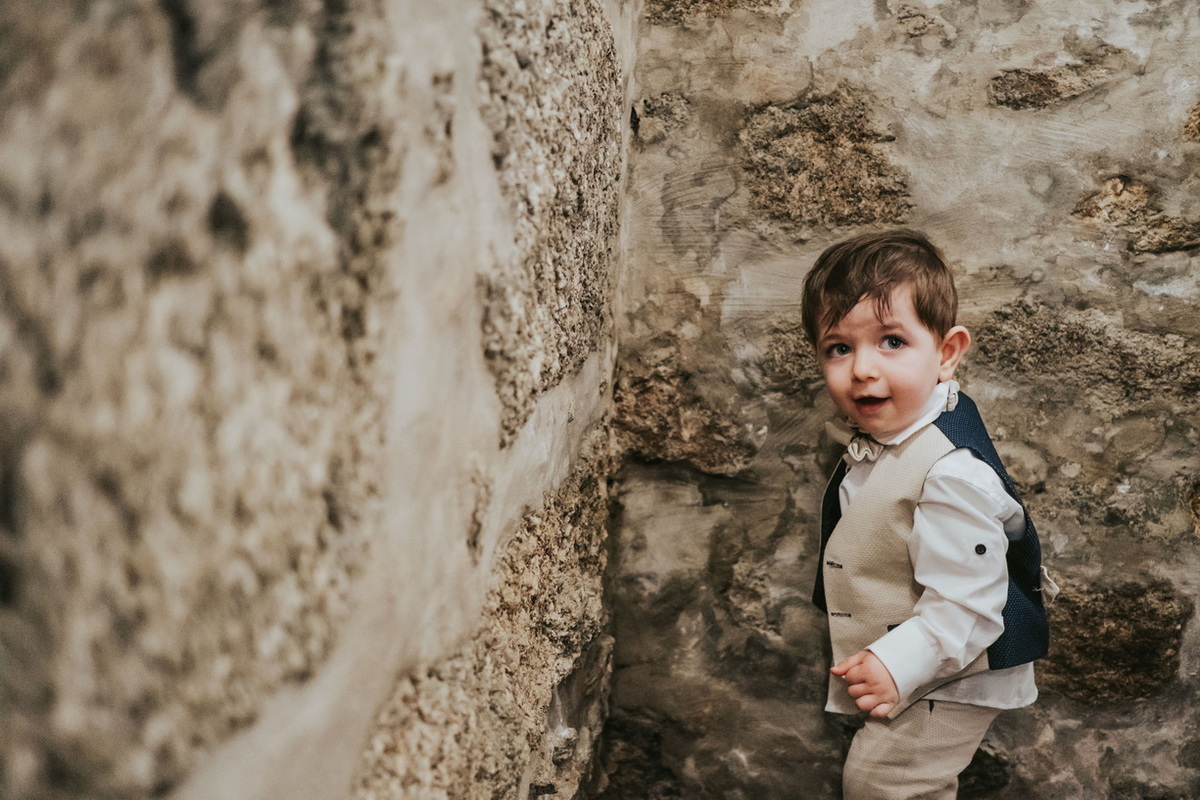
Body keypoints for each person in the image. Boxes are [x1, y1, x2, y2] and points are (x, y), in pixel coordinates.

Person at [800, 229, 1056, 800]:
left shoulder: (949, 475)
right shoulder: (897, 439)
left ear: (945, 354)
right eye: (838, 348)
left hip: (954, 668)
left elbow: (970, 600)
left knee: (883, 783)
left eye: (891, 341)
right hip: (929, 662)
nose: (862, 368)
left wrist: (899, 663)